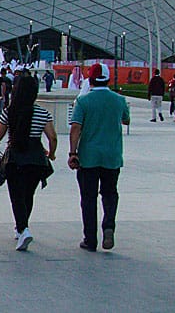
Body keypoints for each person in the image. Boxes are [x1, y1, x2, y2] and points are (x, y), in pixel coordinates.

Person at [69, 63, 130, 252]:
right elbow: (126, 119)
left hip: (88, 156)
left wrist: (73, 152)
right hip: (112, 155)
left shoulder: (84, 101)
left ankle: (90, 239)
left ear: (91, 79)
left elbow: (76, 127)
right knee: (110, 193)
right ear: (108, 79)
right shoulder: (119, 100)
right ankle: (109, 226)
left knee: (88, 197)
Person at [0, 75, 57, 251]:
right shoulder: (43, 113)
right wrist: (51, 154)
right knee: (28, 194)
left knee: (16, 195)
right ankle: (22, 227)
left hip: (15, 157)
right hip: (36, 157)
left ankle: (23, 229)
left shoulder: (9, 112)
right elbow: (52, 137)